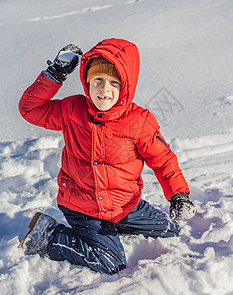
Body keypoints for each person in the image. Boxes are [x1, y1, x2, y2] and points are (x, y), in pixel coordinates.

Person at [18, 38, 196, 274]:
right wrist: (55, 74)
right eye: (98, 80)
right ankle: (48, 235)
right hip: (82, 206)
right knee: (110, 263)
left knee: (171, 229)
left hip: (124, 205)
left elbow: (163, 161)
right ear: (87, 81)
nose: (104, 89)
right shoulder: (72, 110)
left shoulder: (139, 122)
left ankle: (115, 227)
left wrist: (179, 196)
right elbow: (30, 109)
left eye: (114, 82)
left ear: (126, 87)